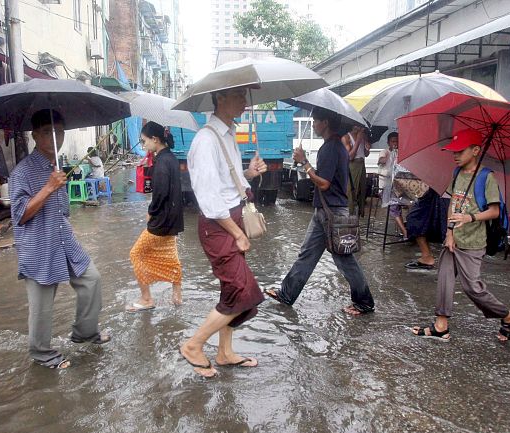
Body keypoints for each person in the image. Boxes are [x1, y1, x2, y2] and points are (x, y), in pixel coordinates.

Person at [9, 109, 110, 370]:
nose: (56, 137)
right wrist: (48, 188)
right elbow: (19, 215)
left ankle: (84, 332)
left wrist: (56, 189)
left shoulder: (57, 166)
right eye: (48, 132)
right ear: (34, 135)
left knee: (92, 280)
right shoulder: (23, 171)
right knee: (41, 306)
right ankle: (42, 354)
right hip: (38, 245)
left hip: (64, 239)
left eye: (60, 132)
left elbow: (63, 210)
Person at [179, 87, 267, 378]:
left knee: (231, 289)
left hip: (233, 218)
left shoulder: (229, 134)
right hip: (218, 226)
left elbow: (230, 182)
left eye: (244, 96)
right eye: (238, 96)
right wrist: (236, 233)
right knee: (243, 290)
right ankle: (194, 345)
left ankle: (224, 353)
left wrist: (250, 174)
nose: (244, 101)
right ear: (220, 99)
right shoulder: (206, 140)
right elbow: (208, 198)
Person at [411, 129, 510, 343]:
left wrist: (469, 218)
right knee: (444, 279)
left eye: (460, 151)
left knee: (472, 287)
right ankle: (441, 326)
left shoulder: (486, 177)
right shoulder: (457, 173)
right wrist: (449, 232)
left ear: (475, 151)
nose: (455, 155)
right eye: (453, 151)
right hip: (454, 239)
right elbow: (452, 204)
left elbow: (495, 211)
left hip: (473, 241)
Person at [264, 107, 375, 317]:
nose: (313, 124)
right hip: (325, 211)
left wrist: (305, 162)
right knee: (307, 255)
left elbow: (324, 183)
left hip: (331, 212)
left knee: (346, 260)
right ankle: (287, 294)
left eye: (315, 121)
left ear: (325, 122)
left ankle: (364, 302)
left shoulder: (331, 148)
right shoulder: (333, 146)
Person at [127, 121, 184, 311]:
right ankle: (177, 293)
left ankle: (146, 299)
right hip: (174, 219)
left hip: (162, 219)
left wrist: (151, 213)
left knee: (136, 254)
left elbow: (160, 194)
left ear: (155, 139)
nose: (144, 146)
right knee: (169, 252)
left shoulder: (161, 162)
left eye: (144, 142)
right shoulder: (171, 158)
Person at [376, 132, 407, 239]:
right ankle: (405, 232)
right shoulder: (385, 152)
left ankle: (403, 230)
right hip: (385, 186)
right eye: (393, 141)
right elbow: (380, 161)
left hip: (397, 186)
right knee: (394, 206)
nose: (395, 143)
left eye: (397, 141)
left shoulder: (400, 153)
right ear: (388, 142)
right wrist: (389, 157)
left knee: (405, 204)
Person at [342, 124, 370, 217]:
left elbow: (366, 154)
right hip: (352, 165)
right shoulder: (346, 137)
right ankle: (350, 213)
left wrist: (367, 146)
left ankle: (359, 212)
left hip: (362, 164)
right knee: (351, 190)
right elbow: (350, 156)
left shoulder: (363, 136)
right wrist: (358, 140)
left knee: (362, 190)